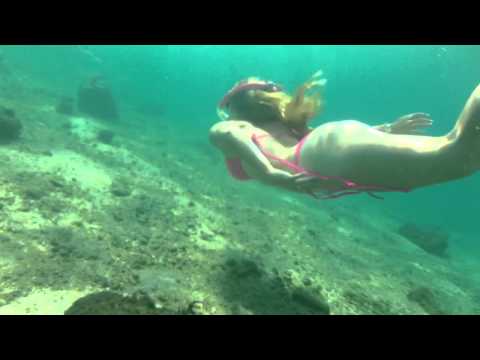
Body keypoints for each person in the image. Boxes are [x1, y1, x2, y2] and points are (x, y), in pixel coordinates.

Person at [209, 71, 480, 199]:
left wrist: (271, 175)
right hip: (328, 143)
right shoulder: (281, 129)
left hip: (320, 157)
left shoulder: (234, 127)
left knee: (459, 153)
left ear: (235, 108)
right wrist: (384, 129)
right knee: (457, 149)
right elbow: (333, 140)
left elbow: (232, 138)